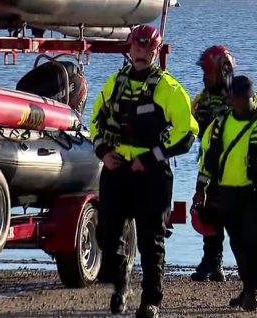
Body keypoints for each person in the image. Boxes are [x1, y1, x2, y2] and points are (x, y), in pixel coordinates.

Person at [90, 23, 199, 318]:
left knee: (152, 241)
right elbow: (95, 122)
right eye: (137, 48)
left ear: (156, 51)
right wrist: (103, 151)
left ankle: (151, 301)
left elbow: (187, 133)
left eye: (148, 49)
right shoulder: (115, 83)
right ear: (129, 48)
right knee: (106, 235)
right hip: (116, 170)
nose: (141, 53)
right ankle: (120, 285)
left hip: (151, 174)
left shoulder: (168, 89)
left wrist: (151, 158)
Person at [194, 75, 257, 311]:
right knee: (238, 243)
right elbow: (207, 160)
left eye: (239, 98)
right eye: (232, 98)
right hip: (227, 193)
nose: (235, 103)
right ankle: (249, 287)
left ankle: (254, 290)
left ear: (251, 97)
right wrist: (201, 190)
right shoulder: (219, 124)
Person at [190, 45, 236, 282]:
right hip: (209, 165)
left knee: (237, 220)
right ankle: (212, 261)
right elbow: (192, 124)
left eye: (207, 73)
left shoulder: (240, 97)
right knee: (208, 213)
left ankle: (248, 268)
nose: (204, 77)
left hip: (236, 170)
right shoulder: (203, 98)